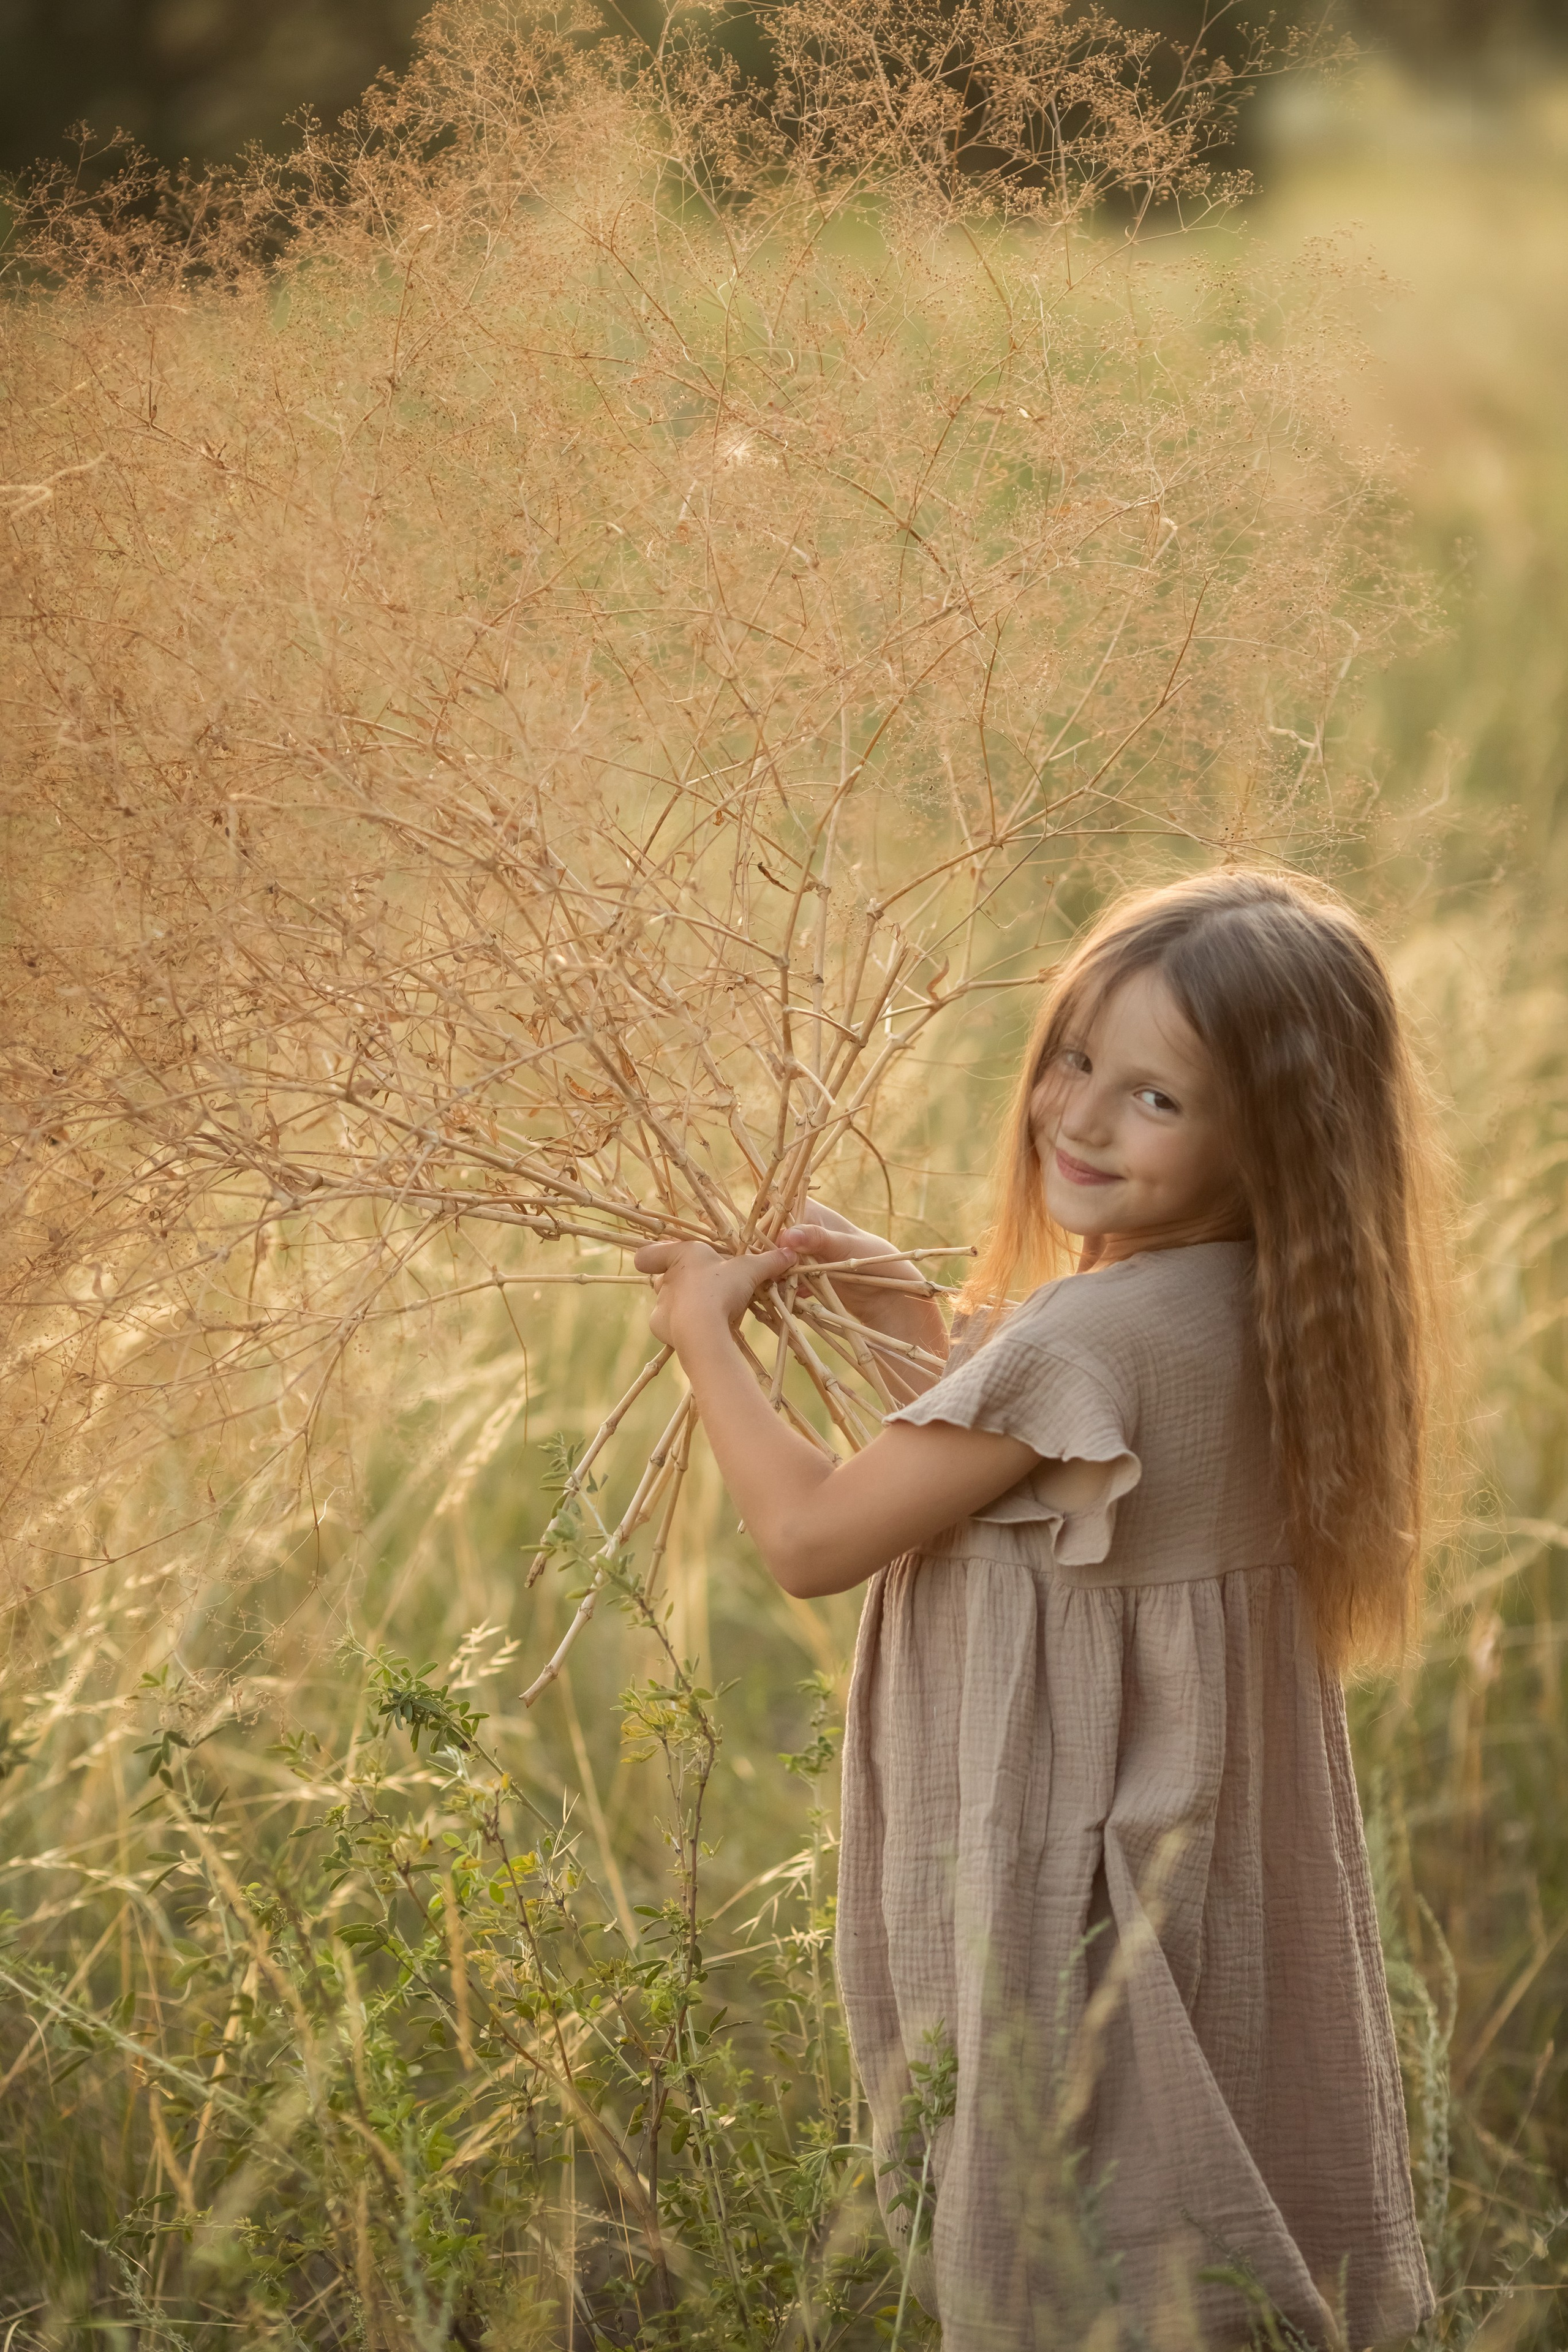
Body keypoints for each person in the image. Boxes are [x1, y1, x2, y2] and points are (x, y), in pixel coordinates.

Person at [635, 870, 1439, 2350]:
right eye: (1072, 1059)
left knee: (1065, 2244)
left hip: (1068, 1870)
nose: (1074, 1118)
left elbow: (816, 1538)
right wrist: (885, 1297)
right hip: (1192, 1861)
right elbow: (1021, 1499)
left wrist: (705, 1339)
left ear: (1271, 1134)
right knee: (1184, 2240)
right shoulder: (1270, 1303)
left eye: (1153, 1100)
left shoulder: (1091, 1332)